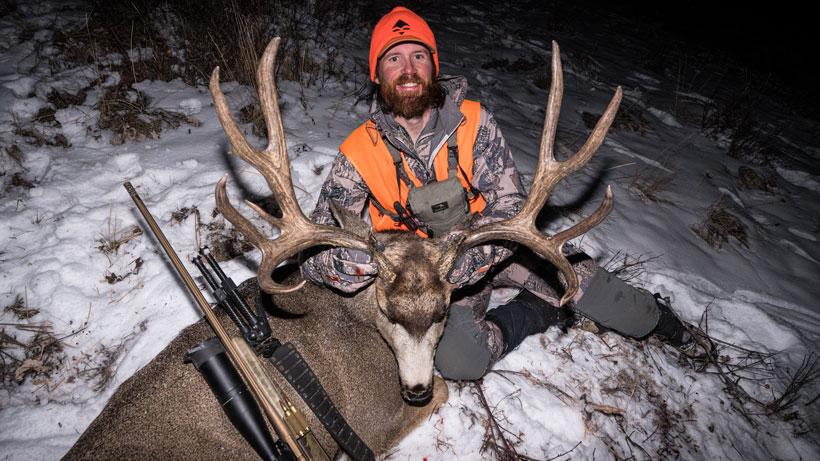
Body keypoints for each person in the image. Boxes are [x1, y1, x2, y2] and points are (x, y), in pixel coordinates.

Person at [301, 6, 703, 381]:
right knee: (460, 361)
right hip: (416, 286)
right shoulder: (357, 152)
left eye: (418, 57)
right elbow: (312, 259)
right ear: (377, 74)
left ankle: (665, 321)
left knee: (630, 313)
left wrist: (471, 258)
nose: (407, 69)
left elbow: (512, 207)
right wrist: (349, 262)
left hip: (493, 249)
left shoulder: (475, 122)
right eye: (393, 59)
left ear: (433, 67)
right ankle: (534, 313)